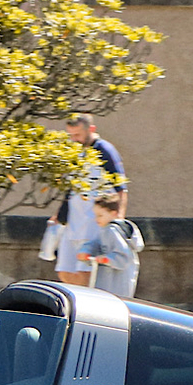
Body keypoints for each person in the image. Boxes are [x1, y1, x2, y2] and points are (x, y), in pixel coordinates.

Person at [53, 113, 126, 286]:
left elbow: (121, 188)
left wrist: (118, 219)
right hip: (72, 223)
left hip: (93, 223)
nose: (74, 139)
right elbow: (71, 188)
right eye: (71, 135)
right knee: (64, 271)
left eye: (77, 135)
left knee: (85, 271)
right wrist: (58, 214)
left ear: (91, 129)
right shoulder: (74, 152)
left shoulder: (104, 150)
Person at [74, 193, 142, 297]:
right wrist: (86, 250)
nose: (97, 219)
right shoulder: (106, 230)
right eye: (96, 215)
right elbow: (95, 243)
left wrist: (107, 259)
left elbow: (123, 254)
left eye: (100, 215)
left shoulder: (112, 230)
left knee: (113, 299)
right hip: (111, 274)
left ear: (113, 214)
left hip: (116, 276)